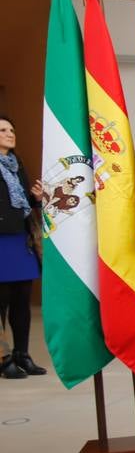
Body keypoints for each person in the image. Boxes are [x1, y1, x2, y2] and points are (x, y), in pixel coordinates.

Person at [0, 116, 46, 379]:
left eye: (11, 129)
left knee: (21, 300)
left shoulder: (16, 165)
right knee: (1, 301)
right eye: (3, 130)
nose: (9, 133)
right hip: (1, 240)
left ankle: (22, 354)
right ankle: (3, 358)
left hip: (20, 239)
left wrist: (35, 199)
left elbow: (21, 204)